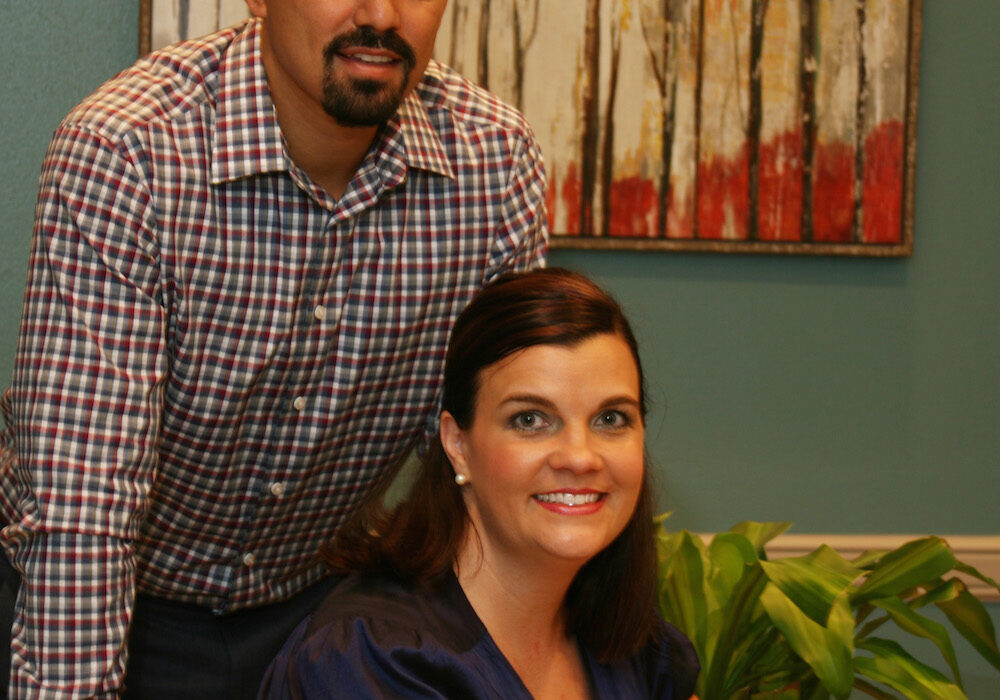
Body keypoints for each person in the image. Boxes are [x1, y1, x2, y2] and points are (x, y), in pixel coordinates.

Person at [0, 0, 547, 696]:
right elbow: (85, 507)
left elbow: (502, 455)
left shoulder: (493, 167)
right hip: (91, 598)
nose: (381, 14)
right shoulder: (126, 150)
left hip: (314, 607)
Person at [258, 268, 700, 699]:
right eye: (530, 420)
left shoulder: (639, 649)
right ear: (457, 444)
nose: (580, 457)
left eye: (611, 418)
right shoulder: (368, 658)